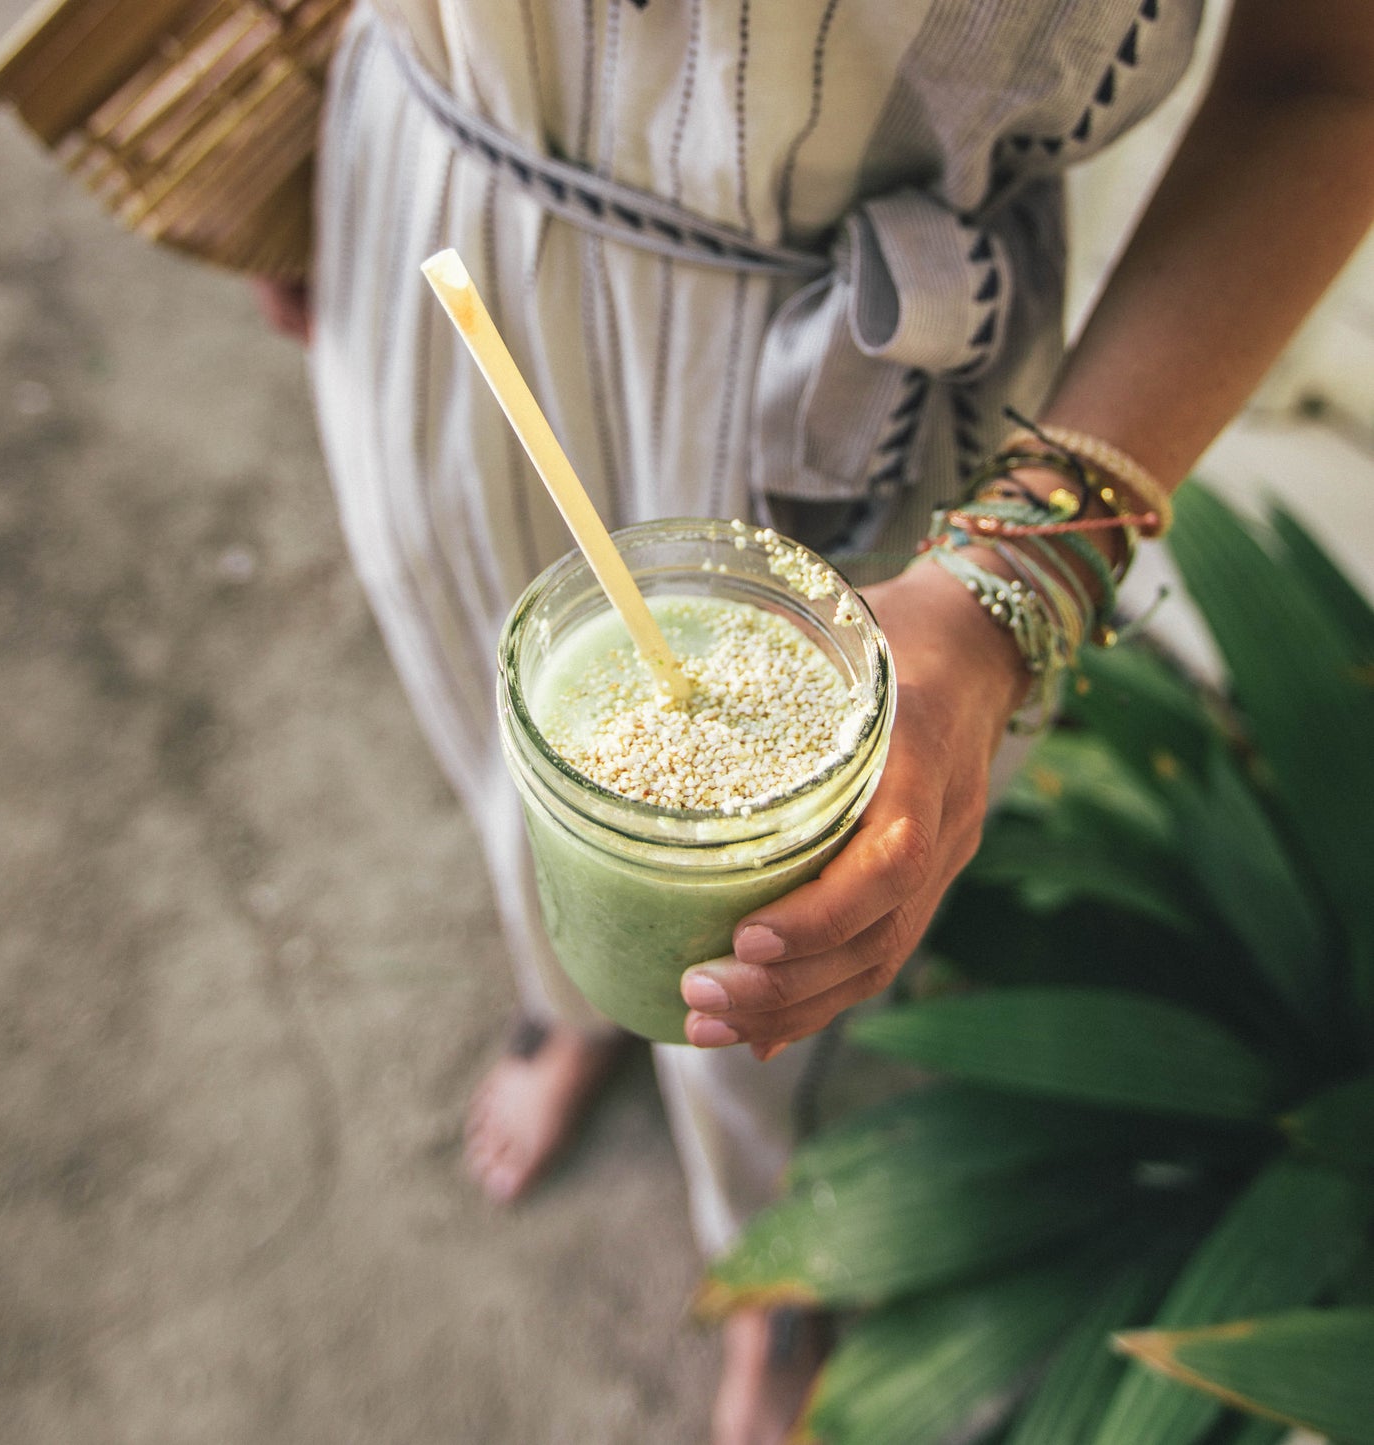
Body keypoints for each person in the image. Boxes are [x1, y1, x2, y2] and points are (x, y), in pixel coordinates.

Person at [255, 1, 1374, 1439]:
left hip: (836, 364)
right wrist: (276, 143)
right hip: (432, 214)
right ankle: (565, 1001)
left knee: (793, 947)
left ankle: (774, 1265)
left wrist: (1003, 588)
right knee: (497, 729)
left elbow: (1327, 82)